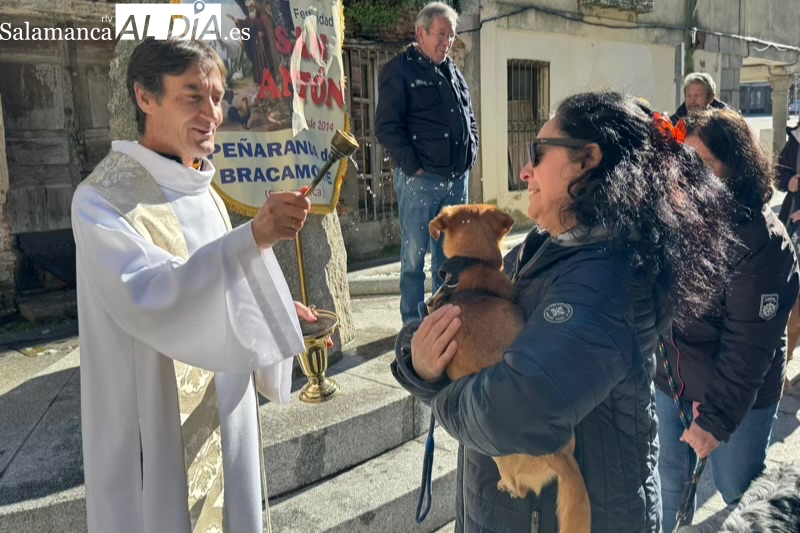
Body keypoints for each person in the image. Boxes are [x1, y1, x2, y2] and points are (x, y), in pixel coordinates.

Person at [392, 91, 737, 533]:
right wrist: (416, 357)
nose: (524, 171)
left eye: (538, 153)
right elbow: (451, 325)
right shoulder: (547, 246)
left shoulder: (606, 279)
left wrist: (434, 384)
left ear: (586, 160)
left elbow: (515, 413)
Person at [73, 38, 313, 533]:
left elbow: (220, 280)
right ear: (145, 97)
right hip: (154, 423)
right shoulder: (101, 200)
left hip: (228, 420)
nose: (212, 113)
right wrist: (255, 236)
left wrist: (273, 307)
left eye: (218, 97)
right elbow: (152, 297)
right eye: (192, 96)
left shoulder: (205, 190)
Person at [656, 109, 799, 533]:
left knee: (739, 492)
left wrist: (715, 420)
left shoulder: (763, 244)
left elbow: (748, 349)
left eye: (698, 164)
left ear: (733, 168)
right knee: (669, 485)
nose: (684, 175)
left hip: (738, 397)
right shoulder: (678, 218)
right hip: (672, 383)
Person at [375, 1, 478, 324]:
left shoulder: (453, 71)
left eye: (452, 35)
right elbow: (386, 127)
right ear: (421, 33)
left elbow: (468, 117)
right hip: (421, 181)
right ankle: (412, 323)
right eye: (442, 34)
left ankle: (443, 315)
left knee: (448, 257)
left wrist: (470, 151)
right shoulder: (399, 71)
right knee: (414, 257)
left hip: (456, 180)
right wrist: (414, 167)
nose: (447, 42)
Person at [777, 121, 800, 387]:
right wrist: (789, 180)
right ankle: (785, 363)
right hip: (792, 225)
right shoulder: (795, 137)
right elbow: (779, 172)